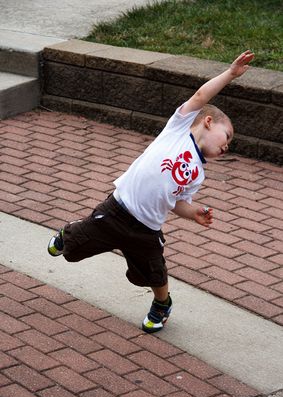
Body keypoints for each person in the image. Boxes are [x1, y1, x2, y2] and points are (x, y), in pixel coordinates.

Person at [48, 50, 254, 333]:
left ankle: (162, 304)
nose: (227, 145)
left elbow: (177, 203)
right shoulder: (179, 128)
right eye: (227, 135)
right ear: (207, 122)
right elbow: (200, 96)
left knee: (154, 272)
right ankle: (68, 233)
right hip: (117, 210)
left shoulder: (198, 173)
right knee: (75, 248)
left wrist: (195, 212)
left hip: (147, 228)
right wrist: (230, 74)